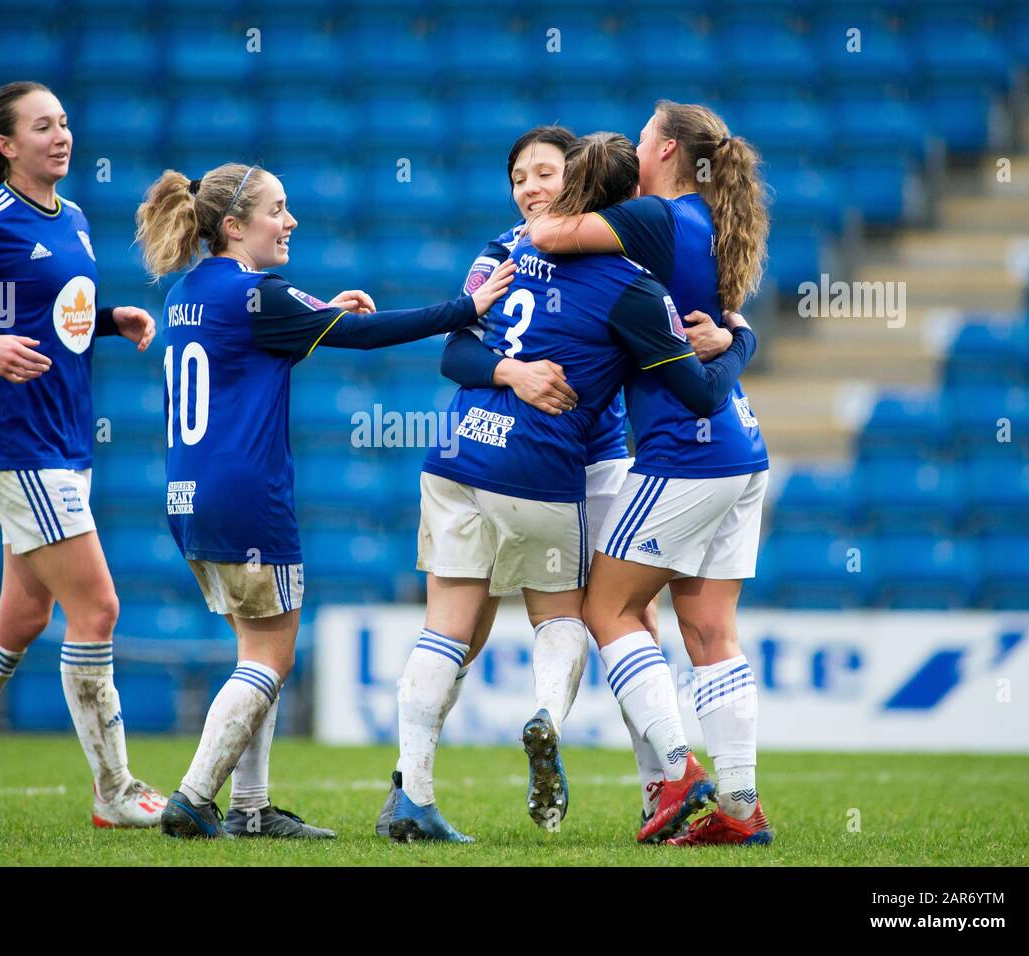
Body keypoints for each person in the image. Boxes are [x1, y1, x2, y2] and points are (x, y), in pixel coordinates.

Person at [387, 133, 758, 843]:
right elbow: (458, 349)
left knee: (615, 615)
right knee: (592, 614)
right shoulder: (530, 254)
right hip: (547, 462)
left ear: (576, 182)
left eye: (544, 173)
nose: (529, 187)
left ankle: (658, 785)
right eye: (518, 177)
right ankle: (627, 758)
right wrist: (512, 372)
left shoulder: (591, 250)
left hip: (577, 460)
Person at [133, 161, 516, 840]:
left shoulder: (189, 293)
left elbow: (248, 359)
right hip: (247, 495)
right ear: (233, 226)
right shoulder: (258, 294)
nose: (291, 221)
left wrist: (323, 314)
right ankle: (194, 799)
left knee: (254, 652)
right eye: (277, 209)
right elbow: (366, 336)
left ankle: (251, 810)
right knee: (270, 660)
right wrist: (468, 309)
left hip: (187, 495)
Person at [0, 81, 166, 829]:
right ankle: (114, 790)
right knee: (98, 606)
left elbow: (50, 315)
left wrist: (109, 319)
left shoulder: (72, 217)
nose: (62, 136)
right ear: (7, 145)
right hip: (22, 447)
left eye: (66, 123)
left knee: (22, 615)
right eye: (43, 127)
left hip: (66, 441)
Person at [532, 101, 774, 846]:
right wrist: (740, 339)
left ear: (665, 149)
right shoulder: (705, 221)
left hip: (684, 452)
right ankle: (740, 810)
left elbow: (545, 230)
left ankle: (678, 771)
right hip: (742, 444)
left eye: (641, 135)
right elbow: (724, 329)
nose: (633, 144)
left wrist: (556, 196)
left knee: (607, 610)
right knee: (709, 630)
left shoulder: (655, 219)